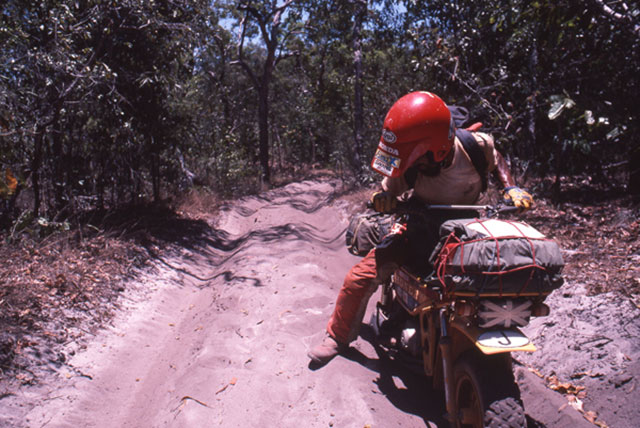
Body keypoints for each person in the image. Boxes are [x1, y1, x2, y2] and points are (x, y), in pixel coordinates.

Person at [308, 91, 533, 365]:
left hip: (473, 226)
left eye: (418, 158)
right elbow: (390, 188)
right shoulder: (408, 163)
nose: (413, 164)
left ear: (438, 148)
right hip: (420, 225)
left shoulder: (475, 145)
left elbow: (496, 158)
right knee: (360, 278)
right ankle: (337, 336)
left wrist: (511, 187)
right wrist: (385, 199)